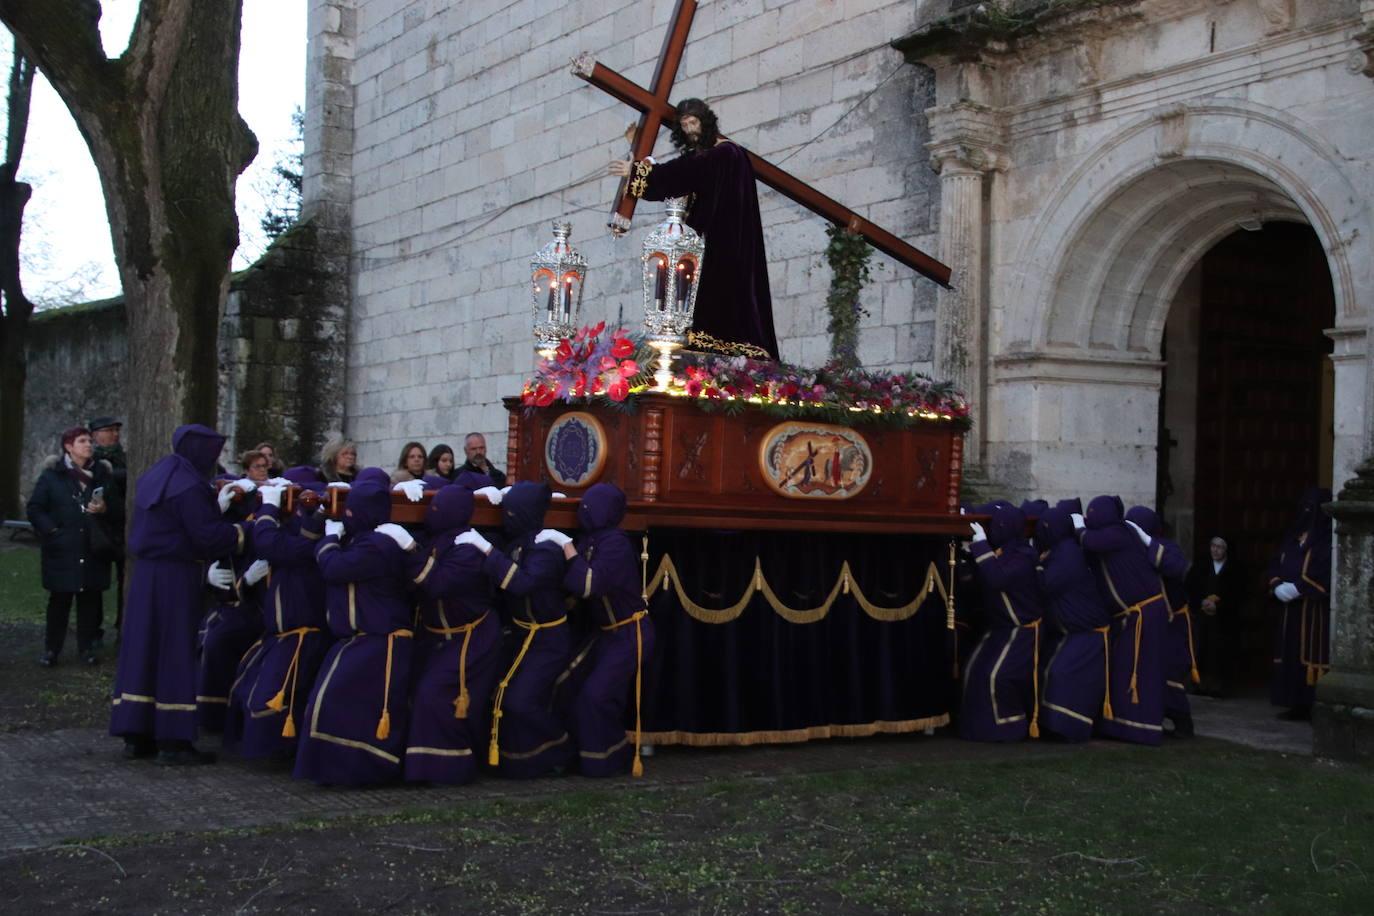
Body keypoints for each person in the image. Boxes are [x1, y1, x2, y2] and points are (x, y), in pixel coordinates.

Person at [108, 424, 256, 764]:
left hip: (147, 574)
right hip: (175, 575)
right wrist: (248, 529)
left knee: (143, 647)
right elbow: (206, 536)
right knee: (174, 648)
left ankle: (137, 731)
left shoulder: (158, 475)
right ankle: (173, 740)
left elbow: (175, 524)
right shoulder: (189, 485)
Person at [608, 97, 779, 360]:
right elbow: (683, 172)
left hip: (724, 241)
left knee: (719, 298)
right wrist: (641, 158)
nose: (690, 129)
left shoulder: (726, 153)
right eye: (685, 125)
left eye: (694, 122)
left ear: (706, 121)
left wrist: (637, 173)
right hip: (707, 239)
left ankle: (720, 352)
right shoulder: (708, 156)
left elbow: (683, 173)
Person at [294, 471, 417, 785]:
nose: (347, 516)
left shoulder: (378, 544)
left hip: (380, 637)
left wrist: (330, 538)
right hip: (359, 638)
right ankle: (333, 771)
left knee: (353, 706)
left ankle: (365, 772)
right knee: (330, 702)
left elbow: (333, 567)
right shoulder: (364, 538)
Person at [460, 481, 575, 778]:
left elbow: (523, 583)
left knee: (519, 701)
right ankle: (517, 760)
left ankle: (559, 749)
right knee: (496, 694)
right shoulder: (518, 541)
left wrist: (485, 549)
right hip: (522, 635)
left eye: (511, 511)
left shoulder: (547, 549)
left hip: (547, 638)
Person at [227, 467, 332, 759]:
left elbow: (268, 542)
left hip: (303, 635)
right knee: (246, 689)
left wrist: (271, 506)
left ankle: (284, 751)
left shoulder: (309, 538)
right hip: (278, 634)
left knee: (273, 699)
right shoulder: (291, 533)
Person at [553, 483, 655, 776]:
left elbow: (589, 584)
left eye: (590, 506)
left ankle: (607, 760)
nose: (584, 511)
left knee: (596, 695)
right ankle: (575, 754)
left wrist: (567, 548)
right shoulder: (590, 540)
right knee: (566, 684)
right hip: (605, 634)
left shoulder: (616, 543)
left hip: (630, 633)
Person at [404, 484, 502, 784]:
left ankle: (448, 770)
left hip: (472, 637)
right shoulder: (437, 541)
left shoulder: (468, 549)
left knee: (437, 695)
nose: (432, 513)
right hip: (437, 637)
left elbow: (438, 584)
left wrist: (408, 550)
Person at [1077, 495, 1179, 746]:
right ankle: (1120, 725)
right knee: (1123, 669)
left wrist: (1078, 526)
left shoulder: (1119, 533)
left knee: (1141, 672)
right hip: (1128, 616)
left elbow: (1089, 540)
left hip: (1144, 614)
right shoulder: (1115, 535)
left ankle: (1142, 729)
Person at [26, 426, 121, 666]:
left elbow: (119, 509)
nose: (88, 445)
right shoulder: (52, 476)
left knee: (90, 602)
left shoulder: (102, 474)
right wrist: (53, 531)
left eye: (89, 441)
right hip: (62, 550)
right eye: (82, 441)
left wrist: (105, 509)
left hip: (93, 549)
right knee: (59, 602)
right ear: (68, 447)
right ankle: (51, 650)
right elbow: (35, 508)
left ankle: (86, 649)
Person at [959, 504, 1045, 742]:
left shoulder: (1024, 556)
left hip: (1022, 631)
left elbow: (998, 578)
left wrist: (979, 545)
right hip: (1000, 629)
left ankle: (1009, 728)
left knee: (996, 676)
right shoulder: (1003, 551)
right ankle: (977, 728)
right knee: (973, 670)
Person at [1034, 505, 1111, 742]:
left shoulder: (1068, 554)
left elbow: (1046, 585)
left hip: (1086, 633)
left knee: (1061, 674)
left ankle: (1067, 728)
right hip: (1069, 633)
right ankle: (1051, 725)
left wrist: (1034, 566)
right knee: (1047, 669)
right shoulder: (1056, 550)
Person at [1125, 505, 1195, 738]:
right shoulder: (1130, 551)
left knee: (1169, 671)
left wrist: (1147, 542)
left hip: (1172, 621)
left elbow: (1175, 567)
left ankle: (1183, 723)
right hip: (1147, 622)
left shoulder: (1168, 547)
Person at [1268, 488, 1332, 721]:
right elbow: (1277, 561)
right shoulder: (1293, 537)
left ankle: (1314, 704)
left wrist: (1300, 587)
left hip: (1313, 610)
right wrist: (1276, 585)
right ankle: (1295, 703)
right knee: (1290, 652)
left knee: (1311, 653)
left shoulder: (1326, 539)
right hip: (1290, 610)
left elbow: (1325, 569)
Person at [1186, 535, 1244, 696]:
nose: (1216, 550)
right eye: (1213, 546)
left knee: (1220, 652)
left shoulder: (1235, 568)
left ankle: (1218, 686)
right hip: (1202, 617)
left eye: (1220, 547)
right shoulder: (1201, 565)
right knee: (1201, 649)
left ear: (1226, 550)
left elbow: (1239, 593)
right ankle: (1199, 684)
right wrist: (1201, 602)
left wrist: (1219, 605)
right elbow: (1190, 586)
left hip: (1224, 619)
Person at [88, 415, 127, 637]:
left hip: (122, 525)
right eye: (108, 430)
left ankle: (123, 625)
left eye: (116, 430)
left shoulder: (124, 458)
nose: (114, 435)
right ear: (95, 435)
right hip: (99, 527)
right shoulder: (91, 461)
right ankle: (93, 631)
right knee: (95, 582)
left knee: (126, 579)